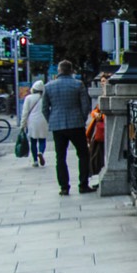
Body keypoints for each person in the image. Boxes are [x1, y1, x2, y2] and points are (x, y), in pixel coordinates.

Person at [41, 60, 95, 195]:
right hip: (76, 123)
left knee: (60, 156)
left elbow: (44, 108)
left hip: (58, 126)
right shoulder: (78, 85)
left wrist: (52, 120)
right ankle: (83, 184)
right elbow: (85, 106)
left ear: (59, 71)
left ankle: (64, 187)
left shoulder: (48, 86)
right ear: (71, 70)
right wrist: (82, 119)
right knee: (83, 154)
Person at [19, 80, 48, 167]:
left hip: (32, 121)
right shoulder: (44, 98)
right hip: (43, 120)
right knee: (42, 140)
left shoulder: (28, 98)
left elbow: (25, 112)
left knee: (33, 141)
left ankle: (35, 160)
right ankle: (41, 152)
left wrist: (22, 124)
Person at [86, 105, 106, 176]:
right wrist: (98, 115)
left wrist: (100, 116)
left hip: (102, 131)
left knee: (99, 154)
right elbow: (95, 111)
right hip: (100, 132)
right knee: (97, 153)